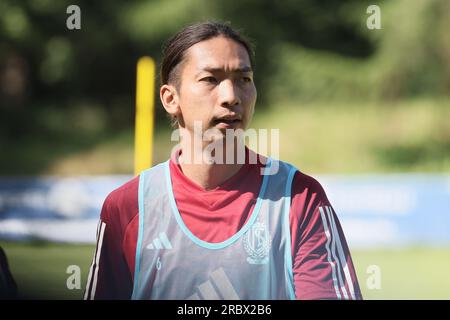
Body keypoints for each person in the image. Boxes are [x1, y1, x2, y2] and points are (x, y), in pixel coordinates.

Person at [84, 21, 362, 300]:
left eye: (244, 80)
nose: (231, 96)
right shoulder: (126, 208)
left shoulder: (300, 199)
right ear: (171, 98)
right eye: (211, 79)